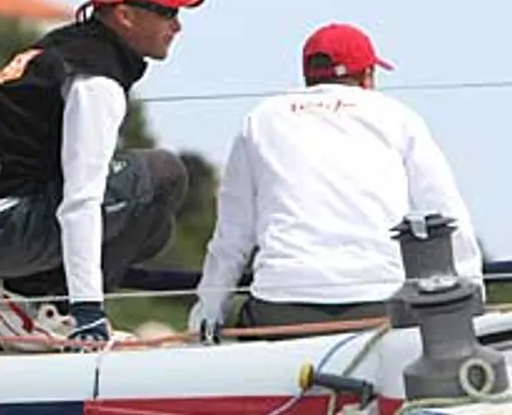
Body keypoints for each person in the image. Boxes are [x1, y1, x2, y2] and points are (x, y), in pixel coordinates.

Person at [0, 0, 202, 351]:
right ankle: (51, 313)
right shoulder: (96, 80)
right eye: (167, 12)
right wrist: (87, 312)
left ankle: (20, 302)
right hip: (3, 231)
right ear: (125, 15)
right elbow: (82, 197)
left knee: (155, 226)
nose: (177, 25)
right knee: (164, 173)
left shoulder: (60, 49)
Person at [188, 22, 484, 338]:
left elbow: (232, 234)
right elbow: (445, 212)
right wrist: (473, 292)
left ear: (307, 76)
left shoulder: (261, 118)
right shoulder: (398, 116)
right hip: (381, 303)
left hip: (282, 306)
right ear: (367, 75)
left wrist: (209, 308)